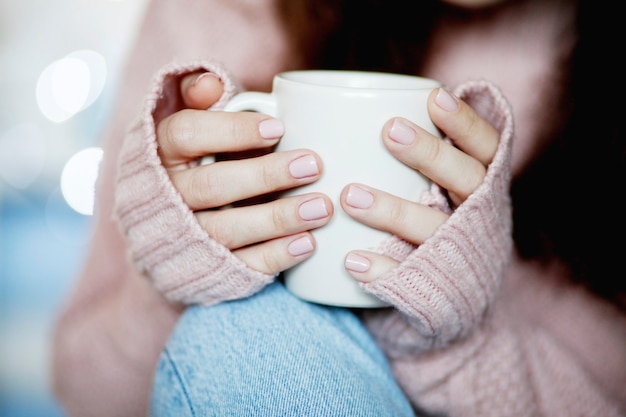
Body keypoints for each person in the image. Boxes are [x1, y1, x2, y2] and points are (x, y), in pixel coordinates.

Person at [51, 0, 626, 416]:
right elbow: (82, 393)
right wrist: (169, 282)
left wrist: (464, 341)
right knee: (242, 335)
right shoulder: (223, 15)